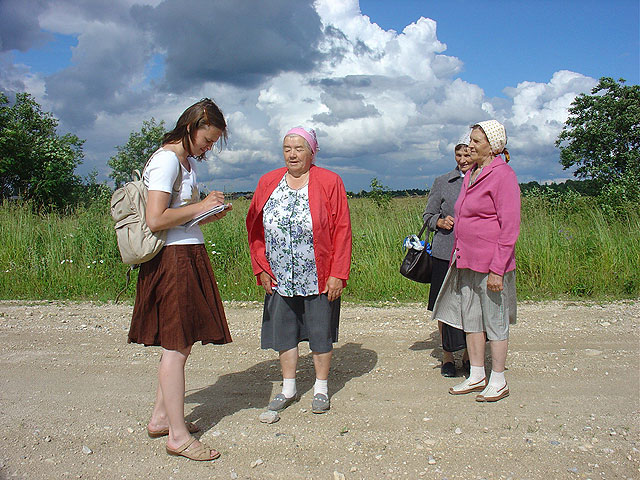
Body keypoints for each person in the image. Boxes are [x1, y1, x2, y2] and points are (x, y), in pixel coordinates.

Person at [128, 98, 233, 461]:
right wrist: (202, 206)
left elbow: (177, 219)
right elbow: (156, 219)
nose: (209, 147)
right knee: (175, 347)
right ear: (191, 127)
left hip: (186, 254)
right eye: (208, 139)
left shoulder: (183, 162)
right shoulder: (166, 160)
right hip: (172, 262)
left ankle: (160, 418)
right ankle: (177, 435)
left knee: (182, 344)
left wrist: (206, 216)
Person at [246, 127, 352, 414]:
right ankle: (289, 388)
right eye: (287, 148)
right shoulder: (268, 181)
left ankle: (321, 389)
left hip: (318, 275)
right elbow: (254, 227)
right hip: (279, 275)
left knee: (320, 333)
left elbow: (342, 230)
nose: (292, 154)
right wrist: (261, 267)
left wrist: (337, 274)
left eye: (299, 148)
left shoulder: (330, 181)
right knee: (285, 333)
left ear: (312, 151)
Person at [433, 120, 520, 402]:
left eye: (476, 141)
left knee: (494, 322)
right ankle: (477, 375)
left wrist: (498, 270)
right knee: (470, 320)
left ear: (493, 147)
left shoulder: (503, 175)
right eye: (470, 140)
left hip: (492, 265)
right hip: (465, 261)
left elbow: (509, 228)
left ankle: (498, 379)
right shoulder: (472, 173)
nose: (470, 145)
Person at [422, 137, 473, 377]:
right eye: (458, 155)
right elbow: (428, 215)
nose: (462, 161)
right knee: (445, 306)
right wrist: (439, 222)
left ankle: (468, 356)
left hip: (473, 253)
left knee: (470, 306)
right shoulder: (442, 182)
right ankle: (447, 357)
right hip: (445, 253)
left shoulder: (482, 180)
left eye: (467, 155)